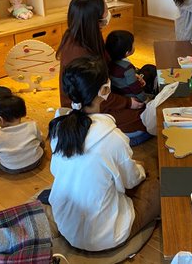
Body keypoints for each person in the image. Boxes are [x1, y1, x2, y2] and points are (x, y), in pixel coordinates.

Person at [48, 56, 160, 251]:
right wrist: (141, 171)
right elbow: (131, 181)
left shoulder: (58, 127)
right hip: (106, 235)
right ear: (104, 90)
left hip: (65, 225)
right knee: (155, 180)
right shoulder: (112, 137)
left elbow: (58, 170)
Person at [56, 0, 150, 137]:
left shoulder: (88, 34)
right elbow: (94, 98)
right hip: (88, 106)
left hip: (102, 92)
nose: (108, 13)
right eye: (106, 10)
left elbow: (106, 62)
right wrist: (127, 102)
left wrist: (128, 76)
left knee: (148, 75)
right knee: (143, 117)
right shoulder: (80, 53)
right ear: (94, 19)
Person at [0, 94, 44, 174]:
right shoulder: (32, 125)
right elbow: (40, 139)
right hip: (37, 161)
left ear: (0, 119)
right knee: (40, 142)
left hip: (13, 169)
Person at [105, 30, 156, 102]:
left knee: (147, 67)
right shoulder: (127, 68)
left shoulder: (109, 61)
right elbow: (136, 88)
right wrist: (146, 100)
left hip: (121, 91)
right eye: (133, 44)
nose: (134, 45)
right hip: (133, 96)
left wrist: (134, 75)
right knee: (150, 69)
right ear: (127, 52)